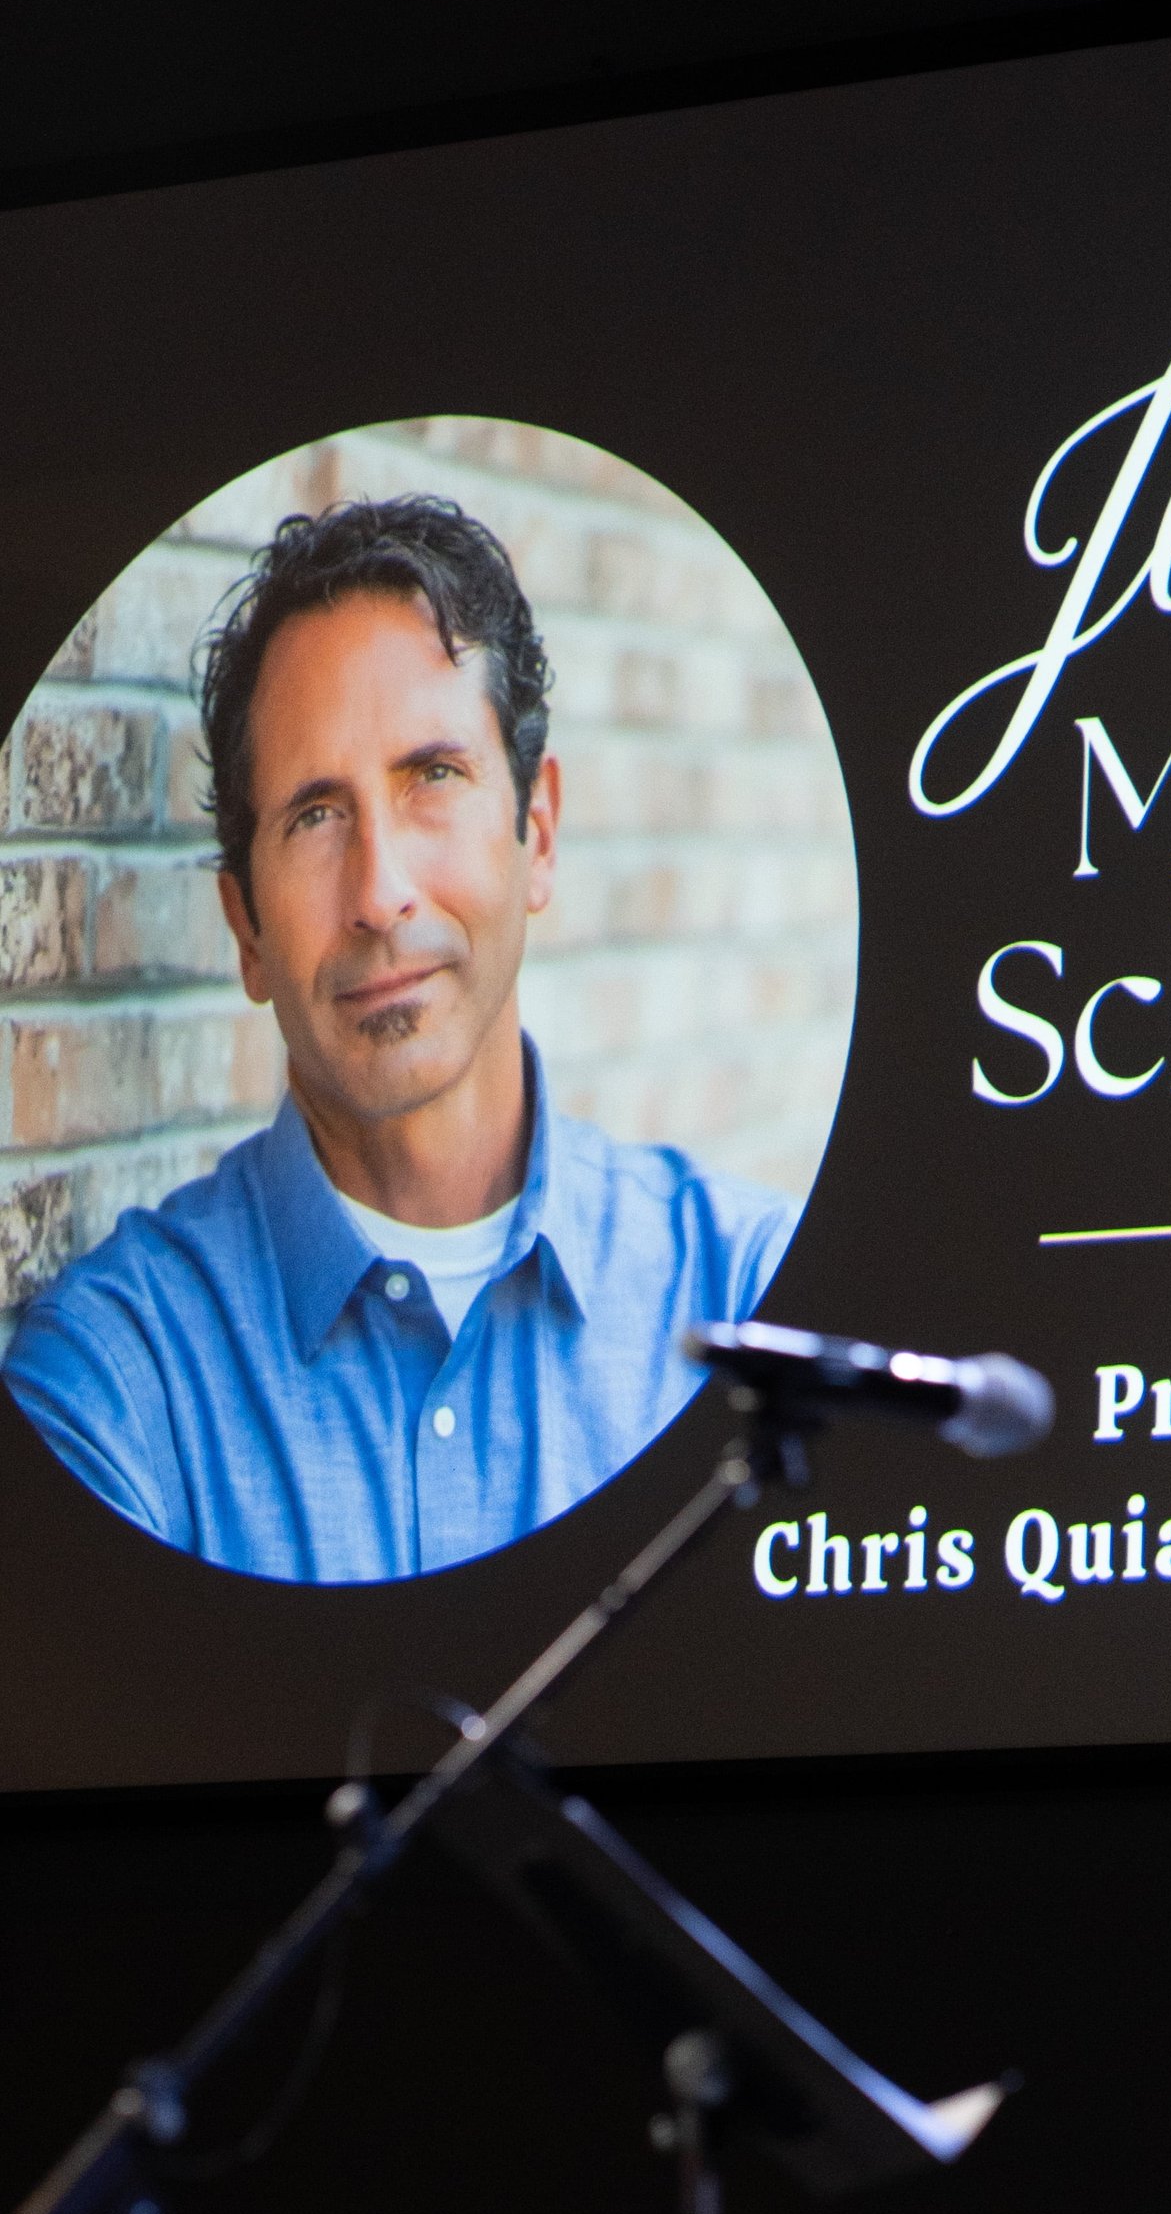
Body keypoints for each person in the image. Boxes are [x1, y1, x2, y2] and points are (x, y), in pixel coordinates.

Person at [3, 496, 795, 1582]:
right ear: (246, 927)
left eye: (433, 777)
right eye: (315, 815)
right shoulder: (119, 1388)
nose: (380, 894)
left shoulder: (753, 1294)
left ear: (541, 835)